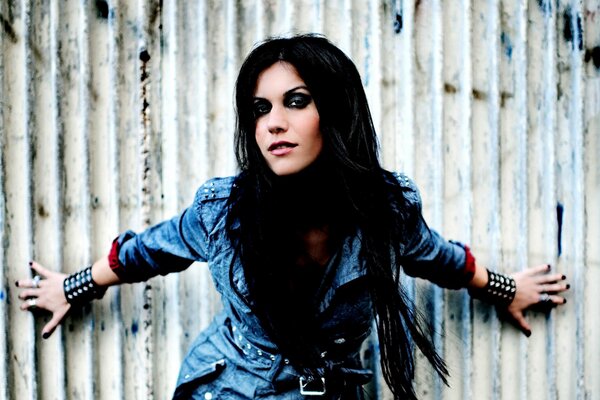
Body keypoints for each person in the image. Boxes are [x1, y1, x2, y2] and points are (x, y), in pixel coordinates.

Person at [15, 33, 569, 400]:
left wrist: (503, 288)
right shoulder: (223, 212)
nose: (273, 123)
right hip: (231, 388)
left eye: (296, 101)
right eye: (260, 109)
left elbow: (437, 258)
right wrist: (74, 285)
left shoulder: (387, 210)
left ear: (336, 109)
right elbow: (147, 252)